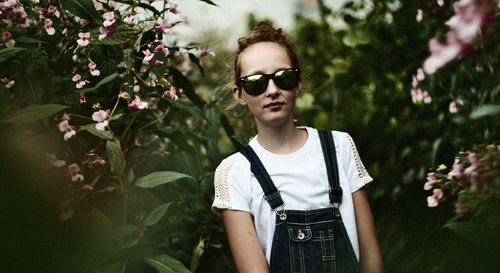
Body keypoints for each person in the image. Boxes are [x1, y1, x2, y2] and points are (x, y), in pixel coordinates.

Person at [212, 22, 383, 273]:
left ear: (298, 83)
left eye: (283, 77)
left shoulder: (340, 147)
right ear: (240, 94)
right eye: (256, 82)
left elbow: (372, 261)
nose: (272, 90)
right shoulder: (234, 172)